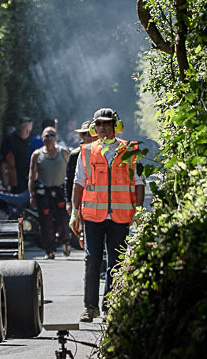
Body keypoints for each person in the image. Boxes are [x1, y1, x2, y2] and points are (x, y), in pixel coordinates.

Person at [70, 107, 145, 322]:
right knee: (92, 259)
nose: (103, 128)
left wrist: (138, 210)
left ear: (115, 126)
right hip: (93, 215)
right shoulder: (86, 151)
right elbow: (78, 183)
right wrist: (74, 212)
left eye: (107, 123)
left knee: (116, 262)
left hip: (121, 215)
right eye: (99, 124)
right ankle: (90, 307)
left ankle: (111, 306)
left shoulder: (130, 150)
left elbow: (139, 182)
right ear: (94, 127)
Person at [29, 127, 70, 259]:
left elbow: (72, 171)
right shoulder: (37, 155)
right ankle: (49, 250)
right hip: (43, 193)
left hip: (60, 192)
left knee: (62, 220)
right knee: (45, 223)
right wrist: (32, 195)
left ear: (56, 138)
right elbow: (32, 176)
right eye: (46, 136)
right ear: (42, 138)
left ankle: (65, 242)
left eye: (51, 135)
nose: (48, 138)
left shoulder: (63, 152)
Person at [65, 120, 96, 215]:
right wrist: (69, 202)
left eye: (91, 134)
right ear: (81, 136)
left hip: (97, 199)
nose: (89, 137)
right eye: (86, 134)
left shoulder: (102, 153)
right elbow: (70, 179)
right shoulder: (75, 155)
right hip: (79, 197)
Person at [1, 116, 33, 193]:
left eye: (29, 130)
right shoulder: (10, 140)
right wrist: (5, 180)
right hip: (14, 180)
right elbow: (2, 162)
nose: (28, 133)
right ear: (20, 128)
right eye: (26, 130)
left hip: (27, 179)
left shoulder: (29, 140)